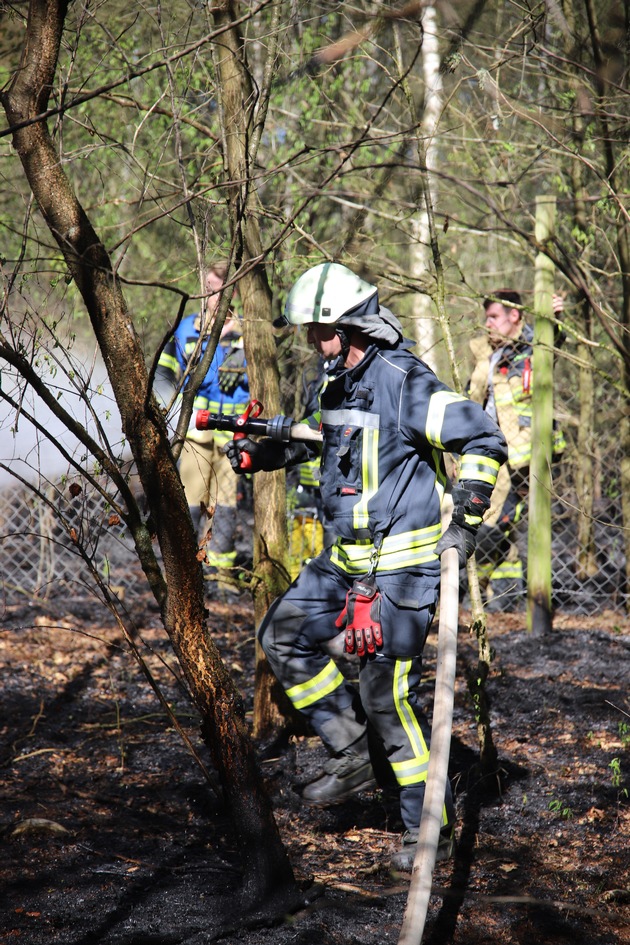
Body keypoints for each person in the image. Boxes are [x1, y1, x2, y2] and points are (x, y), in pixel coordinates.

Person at [224, 262, 508, 870]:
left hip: (403, 572)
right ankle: (350, 749)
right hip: (342, 563)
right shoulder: (332, 384)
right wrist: (260, 452)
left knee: (386, 696)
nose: (311, 342)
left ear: (354, 327)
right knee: (282, 634)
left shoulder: (405, 381)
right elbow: (316, 442)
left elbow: (483, 438)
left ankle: (424, 828)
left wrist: (467, 522)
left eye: (320, 331)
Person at [467, 290, 566, 610]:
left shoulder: (530, 349)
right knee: (497, 522)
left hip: (525, 455)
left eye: (494, 317)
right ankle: (502, 596)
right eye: (486, 318)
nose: (488, 324)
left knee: (500, 521)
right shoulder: (485, 354)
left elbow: (552, 344)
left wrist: (554, 318)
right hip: (491, 451)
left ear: (515, 317)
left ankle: (479, 590)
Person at [155, 263, 251, 586]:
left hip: (234, 432)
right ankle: (184, 570)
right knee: (192, 495)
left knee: (225, 500)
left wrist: (242, 356)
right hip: (195, 428)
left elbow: (263, 380)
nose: (212, 295)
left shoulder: (248, 333)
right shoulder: (186, 329)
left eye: (219, 289)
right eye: (208, 288)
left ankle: (220, 573)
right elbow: (164, 375)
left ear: (232, 291)